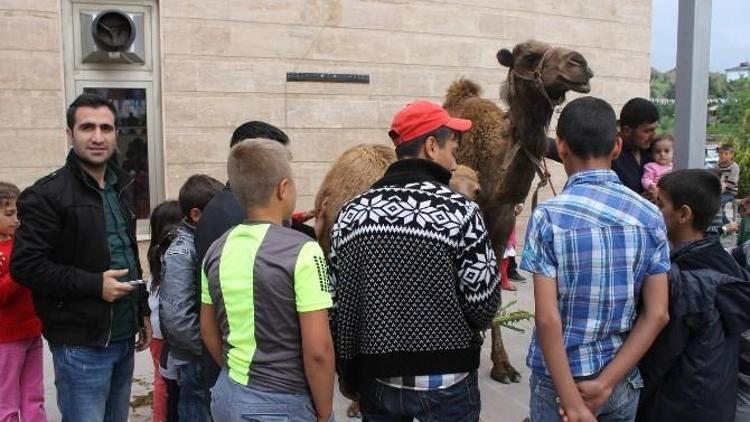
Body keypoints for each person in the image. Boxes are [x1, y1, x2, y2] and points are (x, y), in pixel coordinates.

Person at [330, 100, 501, 421]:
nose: (455, 159)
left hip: (377, 384)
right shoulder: (462, 212)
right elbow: (483, 307)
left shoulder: (351, 214)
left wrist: (349, 375)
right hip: (448, 387)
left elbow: (339, 306)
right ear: (432, 146)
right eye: (453, 147)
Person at [521, 97, 670, 422]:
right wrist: (605, 383)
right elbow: (657, 314)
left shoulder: (548, 217)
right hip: (618, 380)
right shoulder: (650, 215)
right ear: (617, 146)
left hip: (557, 385)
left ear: (561, 148)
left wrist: (571, 401)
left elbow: (548, 319)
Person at [11, 93, 152, 422]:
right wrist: (93, 285)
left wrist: (141, 310)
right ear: (69, 133)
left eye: (106, 128)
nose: (98, 137)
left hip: (122, 336)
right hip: (80, 345)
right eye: (87, 127)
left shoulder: (120, 185)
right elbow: (26, 266)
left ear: (117, 133)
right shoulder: (47, 195)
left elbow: (127, 252)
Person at [201, 139, 335, 422]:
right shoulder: (303, 250)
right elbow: (319, 350)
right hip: (281, 403)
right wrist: (324, 413)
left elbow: (208, 331)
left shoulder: (217, 249)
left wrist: (235, 375)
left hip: (227, 394)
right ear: (283, 188)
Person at [193, 120, 307, 389]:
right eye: (282, 161)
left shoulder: (221, 207)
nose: (287, 173)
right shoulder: (240, 219)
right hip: (252, 379)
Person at [638, 169, 750, 421]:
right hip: (714, 401)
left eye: (660, 204)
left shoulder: (684, 279)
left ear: (684, 214)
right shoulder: (724, 263)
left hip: (680, 404)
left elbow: (659, 357)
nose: (654, 210)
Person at [160, 175, 223, 421]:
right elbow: (177, 320)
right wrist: (211, 348)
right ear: (197, 215)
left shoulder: (204, 242)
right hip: (195, 362)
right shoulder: (182, 251)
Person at [546, 97, 659, 197]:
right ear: (627, 131)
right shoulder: (606, 150)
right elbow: (556, 147)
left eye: (654, 129)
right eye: (647, 131)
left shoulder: (656, 152)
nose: (653, 136)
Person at [0, 182, 46, 422]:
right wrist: (22, 267)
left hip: (31, 331)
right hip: (5, 339)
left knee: (34, 396)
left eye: (19, 213)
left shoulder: (21, 244)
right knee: (6, 400)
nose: (16, 220)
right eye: (9, 214)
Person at [146, 200, 183, 422]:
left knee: (160, 379)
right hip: (164, 332)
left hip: (157, 330)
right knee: (163, 381)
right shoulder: (173, 255)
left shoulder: (156, 252)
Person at [714, 143, 740, 222]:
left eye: (726, 153)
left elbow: (731, 184)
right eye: (721, 153)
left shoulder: (734, 167)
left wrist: (720, 190)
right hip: (719, 191)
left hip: (730, 192)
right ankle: (725, 225)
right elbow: (715, 178)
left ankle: (726, 226)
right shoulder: (717, 165)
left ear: (731, 155)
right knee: (717, 207)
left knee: (716, 204)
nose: (722, 155)